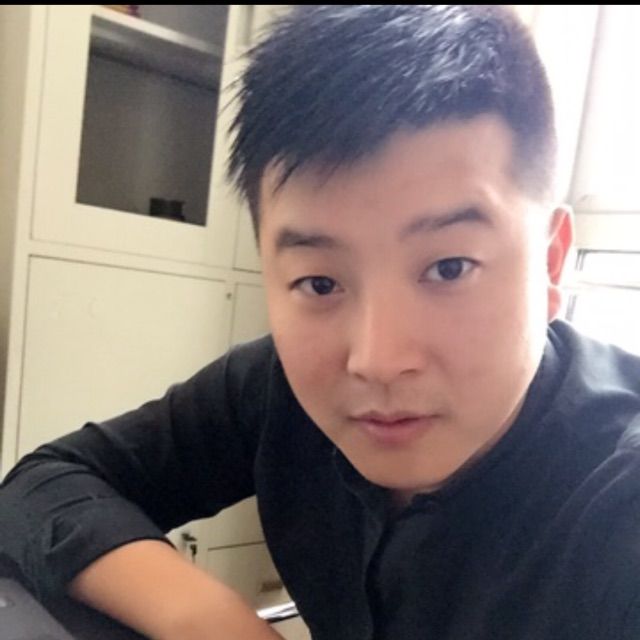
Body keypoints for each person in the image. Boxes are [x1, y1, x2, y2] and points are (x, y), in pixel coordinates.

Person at [1, 4, 639, 639]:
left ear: (551, 262)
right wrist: (207, 619)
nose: (377, 360)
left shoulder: (618, 504)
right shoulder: (271, 389)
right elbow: (47, 482)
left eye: (449, 268)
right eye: (320, 283)